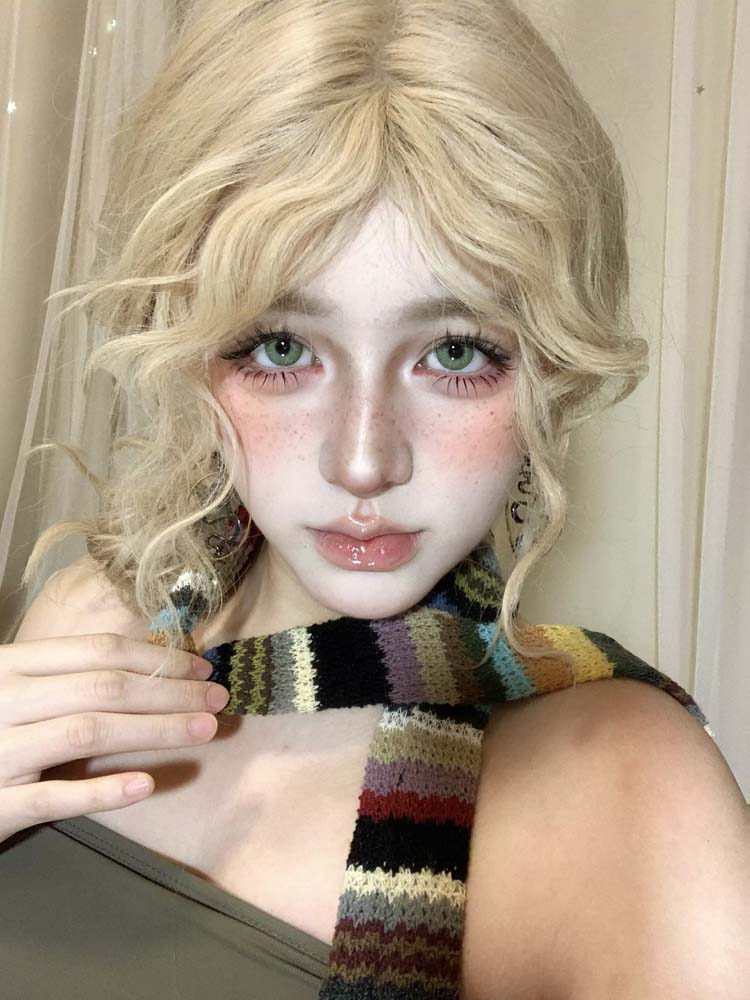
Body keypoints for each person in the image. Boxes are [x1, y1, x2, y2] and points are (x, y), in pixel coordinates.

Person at [1, 1, 747, 998]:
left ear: (552, 369)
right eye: (282, 347)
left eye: (455, 354)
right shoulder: (85, 618)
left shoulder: (630, 798)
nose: (362, 462)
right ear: (191, 345)